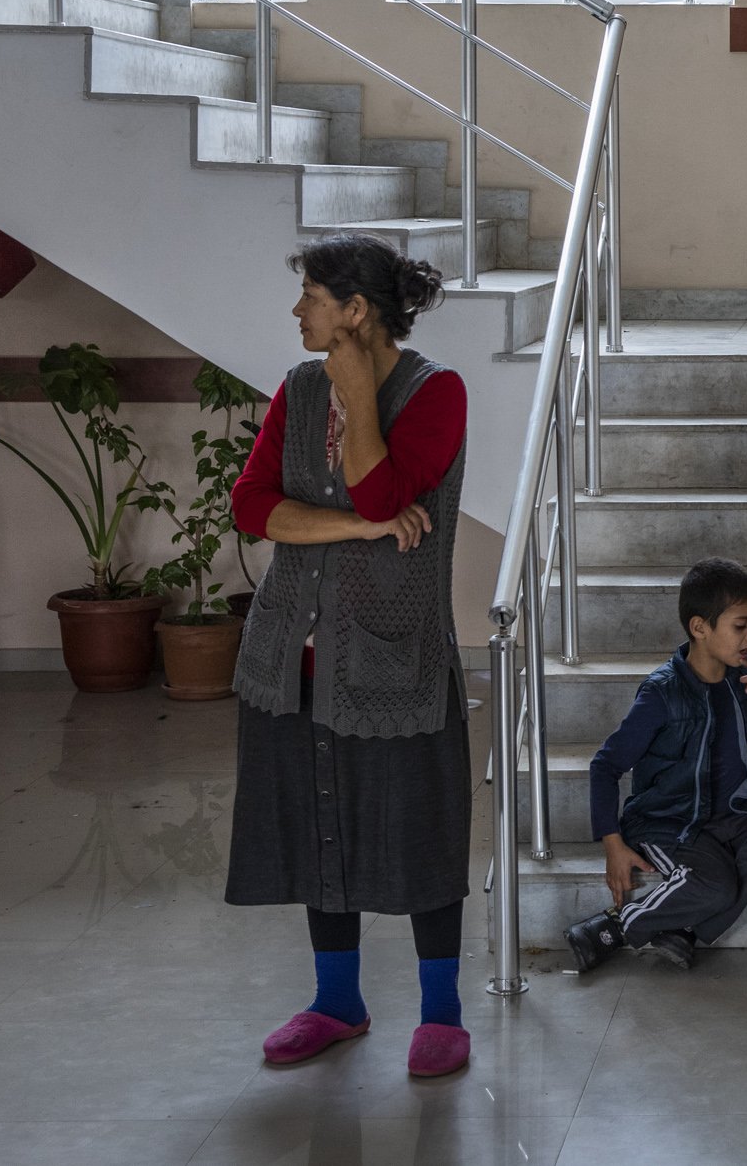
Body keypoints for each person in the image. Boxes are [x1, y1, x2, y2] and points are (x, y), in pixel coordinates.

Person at [225, 234, 474, 1079]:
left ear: (355, 311)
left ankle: (441, 1012)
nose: (299, 312)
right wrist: (361, 526)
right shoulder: (295, 391)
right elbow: (254, 507)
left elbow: (381, 485)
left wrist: (361, 397)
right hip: (288, 653)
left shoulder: (438, 393)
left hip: (395, 657)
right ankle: (338, 1001)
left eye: (312, 298)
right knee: (316, 824)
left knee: (420, 830)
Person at [564, 559, 747, 974]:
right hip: (669, 823)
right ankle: (616, 926)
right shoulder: (662, 694)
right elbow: (605, 766)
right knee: (716, 886)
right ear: (699, 627)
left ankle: (683, 929)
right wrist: (613, 844)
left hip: (733, 818)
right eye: (741, 625)